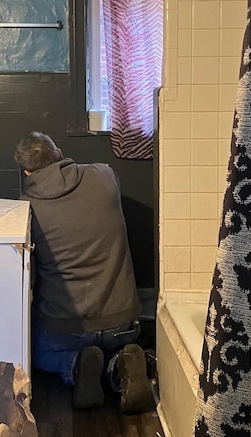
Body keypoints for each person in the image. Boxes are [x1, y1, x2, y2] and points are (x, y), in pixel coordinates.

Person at [14, 131, 155, 413]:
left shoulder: (26, 208)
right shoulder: (104, 176)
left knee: (31, 351)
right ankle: (121, 362)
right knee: (119, 338)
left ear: (27, 171)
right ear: (60, 152)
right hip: (123, 323)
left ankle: (76, 365)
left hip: (67, 329)